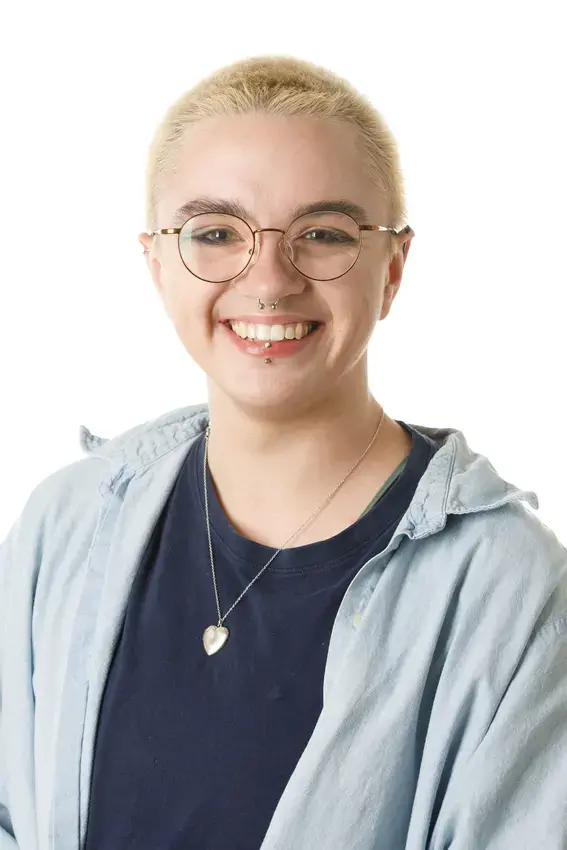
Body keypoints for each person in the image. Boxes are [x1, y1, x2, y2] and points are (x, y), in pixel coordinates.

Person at [1, 54, 566, 850]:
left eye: (324, 234)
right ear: (158, 265)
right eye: (216, 233)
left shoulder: (506, 586)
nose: (268, 278)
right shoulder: (66, 523)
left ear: (392, 269)